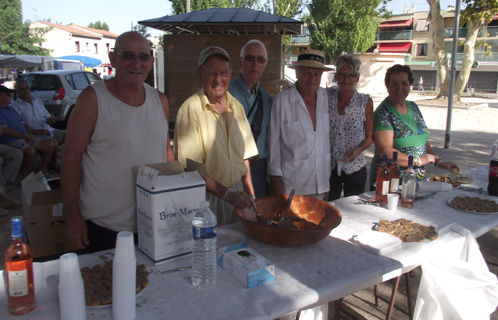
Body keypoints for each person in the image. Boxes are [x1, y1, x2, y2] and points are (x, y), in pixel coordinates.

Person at [61, 31, 175, 253]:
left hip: (152, 223)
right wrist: (73, 217)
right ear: (113, 59)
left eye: (143, 57)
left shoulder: (159, 101)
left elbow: (166, 156)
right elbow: (70, 158)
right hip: (103, 226)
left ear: (151, 62)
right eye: (127, 56)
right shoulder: (92, 99)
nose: (136, 63)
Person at [174, 46, 258, 226]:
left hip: (238, 195)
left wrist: (251, 196)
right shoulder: (189, 110)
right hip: (206, 197)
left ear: (231, 73)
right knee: (210, 250)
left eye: (223, 73)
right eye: (211, 73)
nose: (218, 79)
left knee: (239, 248)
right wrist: (227, 195)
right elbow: (192, 169)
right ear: (200, 74)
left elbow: (244, 159)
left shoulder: (237, 107)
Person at [369, 64, 458, 189]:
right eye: (394, 84)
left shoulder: (414, 107)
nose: (399, 88)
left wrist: (438, 161)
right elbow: (385, 152)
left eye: (404, 83)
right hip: (391, 181)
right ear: (387, 86)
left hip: (415, 181)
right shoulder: (383, 113)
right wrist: (420, 161)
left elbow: (421, 141)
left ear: (410, 85)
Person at [267, 49, 332, 200]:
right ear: (297, 73)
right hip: (293, 187)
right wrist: (276, 182)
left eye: (317, 74)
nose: (312, 78)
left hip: (322, 183)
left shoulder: (326, 98)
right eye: (307, 73)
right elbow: (273, 147)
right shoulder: (281, 101)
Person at [228, 39, 272, 198]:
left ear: (265, 65)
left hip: (259, 171)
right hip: (231, 170)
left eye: (261, 59)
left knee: (258, 216)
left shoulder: (268, 100)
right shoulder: (224, 92)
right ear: (240, 61)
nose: (255, 63)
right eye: (250, 58)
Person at [327, 54, 373, 201]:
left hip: (355, 167)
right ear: (335, 76)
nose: (345, 79)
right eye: (341, 74)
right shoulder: (326, 96)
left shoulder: (364, 102)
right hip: (330, 167)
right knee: (330, 207)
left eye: (350, 75)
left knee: (353, 209)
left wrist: (357, 151)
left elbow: (369, 137)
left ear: (357, 78)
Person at [0, 85, 58, 179]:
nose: (11, 96)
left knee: (50, 144)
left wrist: (29, 134)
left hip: (24, 136)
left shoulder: (10, 109)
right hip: (12, 140)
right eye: (8, 94)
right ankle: (24, 174)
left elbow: (23, 124)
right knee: (29, 151)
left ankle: (43, 171)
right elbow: (6, 130)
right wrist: (26, 135)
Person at [12, 78, 65, 144]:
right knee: (51, 143)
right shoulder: (15, 107)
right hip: (35, 133)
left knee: (69, 135)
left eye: (27, 88)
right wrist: (38, 131)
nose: (25, 91)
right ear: (17, 91)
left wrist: (51, 120)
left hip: (48, 129)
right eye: (22, 89)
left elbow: (47, 117)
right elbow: (20, 128)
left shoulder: (37, 101)